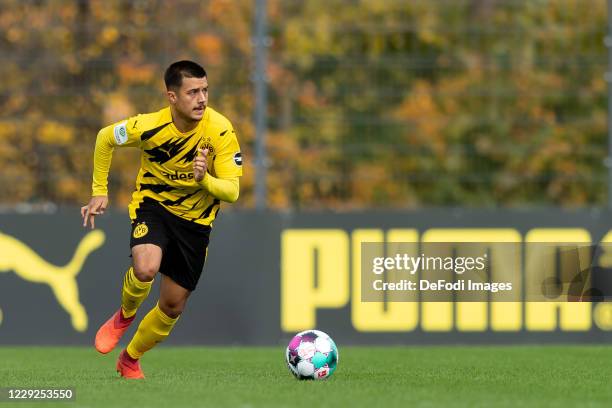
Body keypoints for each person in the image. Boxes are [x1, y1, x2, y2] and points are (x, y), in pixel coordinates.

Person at [80, 60, 242, 379]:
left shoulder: (220, 129)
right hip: (154, 205)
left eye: (205, 90)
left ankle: (130, 358)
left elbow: (232, 190)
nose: (202, 99)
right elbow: (105, 137)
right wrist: (99, 190)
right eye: (193, 92)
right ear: (172, 97)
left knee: (172, 306)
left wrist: (204, 181)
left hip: (196, 223)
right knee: (145, 267)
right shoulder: (149, 126)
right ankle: (125, 316)